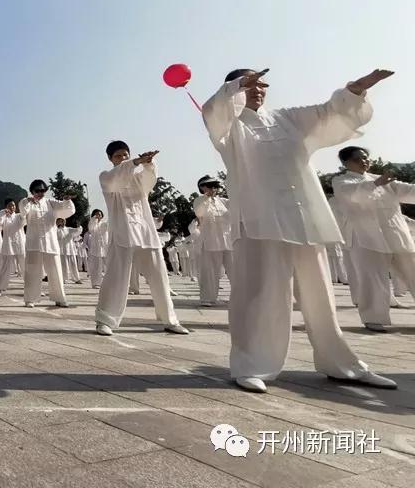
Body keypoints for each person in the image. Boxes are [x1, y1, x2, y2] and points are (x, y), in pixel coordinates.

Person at [202, 67, 396, 393]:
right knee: (261, 292)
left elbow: (326, 113)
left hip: (303, 214)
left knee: (320, 293)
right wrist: (236, 88)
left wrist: (355, 90)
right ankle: (252, 364)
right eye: (248, 84)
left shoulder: (287, 118)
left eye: (261, 83)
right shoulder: (229, 128)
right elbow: (213, 111)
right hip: (258, 219)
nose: (258, 88)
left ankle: (342, 364)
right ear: (232, 90)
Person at [95, 142, 188, 337]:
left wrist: (148, 164)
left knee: (159, 275)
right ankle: (105, 320)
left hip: (145, 230)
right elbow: (116, 179)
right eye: (118, 156)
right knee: (116, 277)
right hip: (123, 232)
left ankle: (170, 320)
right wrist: (135, 161)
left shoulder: (137, 178)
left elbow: (149, 180)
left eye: (125, 155)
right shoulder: (106, 177)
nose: (123, 158)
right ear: (110, 159)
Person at [332, 146, 415, 332]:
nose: (364, 162)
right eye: (358, 159)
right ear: (346, 163)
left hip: (396, 234)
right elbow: (352, 196)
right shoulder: (341, 181)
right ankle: (373, 318)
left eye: (365, 158)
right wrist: (375, 184)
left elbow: (409, 191)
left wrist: (379, 182)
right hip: (366, 237)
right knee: (373, 278)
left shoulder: (384, 181)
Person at [194, 175, 233, 306]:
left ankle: (240, 296)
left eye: (215, 186)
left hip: (228, 240)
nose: (213, 188)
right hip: (210, 241)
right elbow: (199, 213)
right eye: (209, 186)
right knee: (210, 272)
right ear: (202, 187)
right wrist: (206, 197)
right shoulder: (199, 200)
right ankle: (208, 298)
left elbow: (237, 209)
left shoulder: (224, 201)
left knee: (236, 270)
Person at [86, 209, 109, 289]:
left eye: (99, 214)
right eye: (96, 214)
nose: (98, 216)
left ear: (102, 215)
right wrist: (93, 220)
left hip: (105, 248)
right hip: (96, 248)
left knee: (108, 265)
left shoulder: (105, 223)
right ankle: (96, 283)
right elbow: (90, 229)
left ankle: (110, 283)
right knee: (96, 267)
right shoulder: (92, 224)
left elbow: (111, 226)